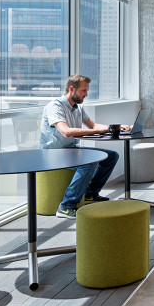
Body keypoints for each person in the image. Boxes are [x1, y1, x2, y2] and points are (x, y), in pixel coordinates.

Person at [39, 74, 120, 219]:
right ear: (72, 89)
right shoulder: (55, 106)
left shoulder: (78, 108)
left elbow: (93, 125)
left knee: (111, 156)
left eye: (87, 91)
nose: (86, 94)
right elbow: (66, 132)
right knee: (89, 161)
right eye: (83, 91)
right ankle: (66, 206)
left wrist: (116, 128)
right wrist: (97, 131)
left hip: (71, 150)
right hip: (53, 153)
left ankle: (90, 193)